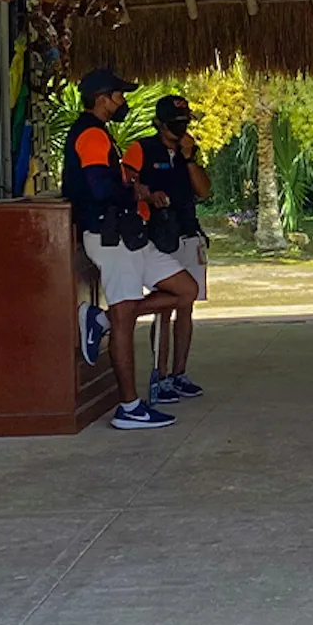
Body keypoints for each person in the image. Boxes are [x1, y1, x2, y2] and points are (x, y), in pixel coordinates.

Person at [64, 68, 199, 430]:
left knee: (186, 290)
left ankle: (103, 319)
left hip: (130, 234)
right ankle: (129, 407)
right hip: (110, 236)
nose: (123, 101)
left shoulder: (100, 133)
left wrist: (134, 191)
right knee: (127, 320)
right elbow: (98, 187)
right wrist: (135, 191)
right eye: (118, 95)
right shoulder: (91, 134)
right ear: (102, 98)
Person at [123, 94, 211, 405]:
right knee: (165, 306)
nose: (181, 129)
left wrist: (188, 158)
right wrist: (146, 194)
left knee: (187, 306)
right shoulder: (142, 149)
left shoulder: (189, 150)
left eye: (185, 122)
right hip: (158, 236)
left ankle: (179, 374)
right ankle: (158, 376)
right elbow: (124, 183)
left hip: (188, 233)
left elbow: (204, 190)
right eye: (175, 124)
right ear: (160, 124)